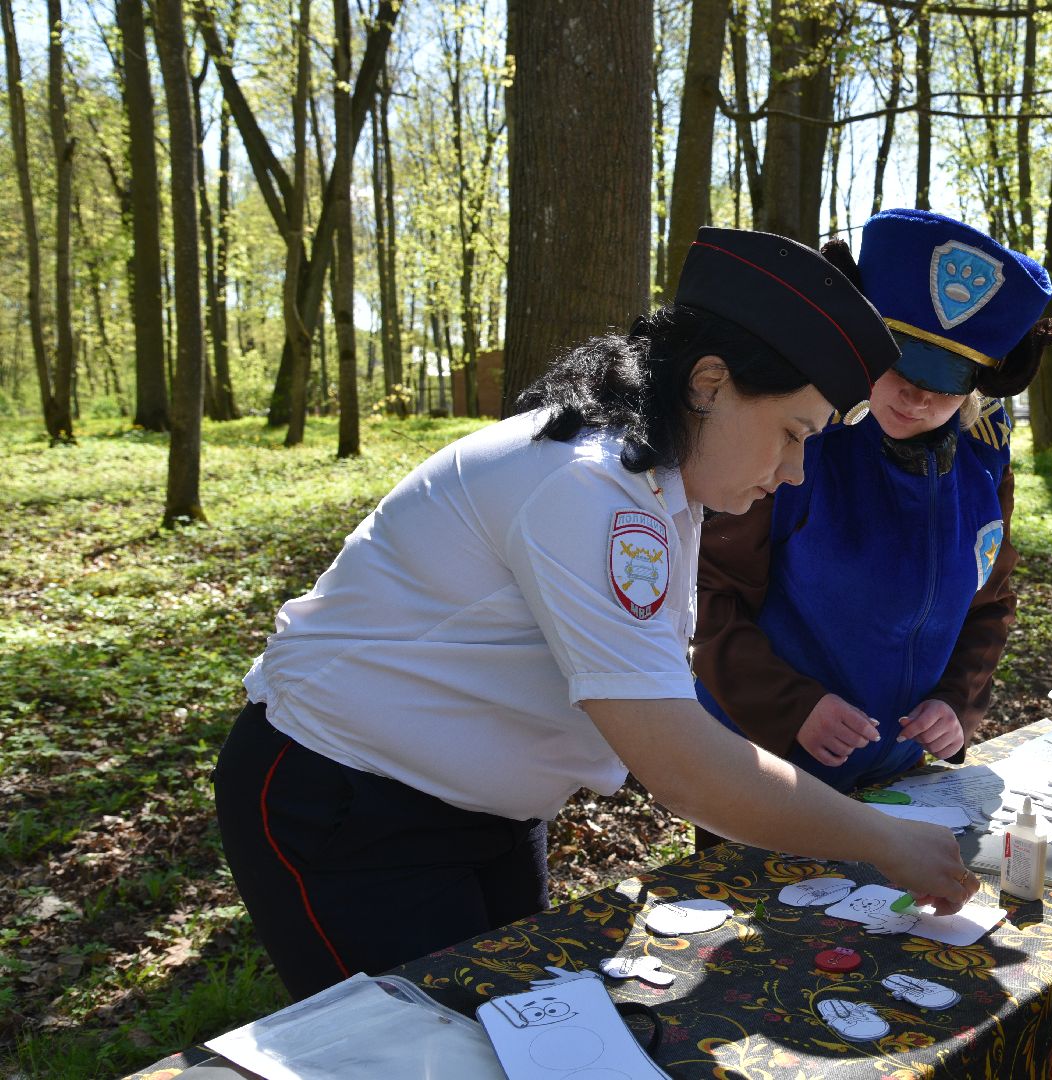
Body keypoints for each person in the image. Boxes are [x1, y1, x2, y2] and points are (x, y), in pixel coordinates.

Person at [212, 227, 979, 1000]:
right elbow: (681, 765)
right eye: (792, 434)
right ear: (709, 383)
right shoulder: (588, 482)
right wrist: (881, 839)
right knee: (424, 1043)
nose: (794, 471)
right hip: (347, 802)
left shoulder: (658, 478)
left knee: (528, 1023)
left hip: (483, 812)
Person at [692, 208, 1052, 799]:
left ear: (979, 382)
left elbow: (989, 604)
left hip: (902, 782)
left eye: (945, 382)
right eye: (899, 366)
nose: (915, 397)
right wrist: (792, 705)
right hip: (765, 773)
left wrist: (955, 700)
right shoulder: (797, 444)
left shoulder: (982, 466)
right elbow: (708, 595)